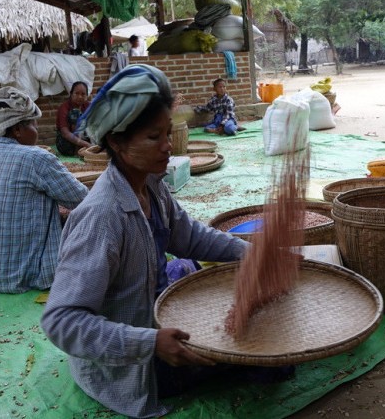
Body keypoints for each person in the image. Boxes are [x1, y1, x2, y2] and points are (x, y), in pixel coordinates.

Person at [40, 65, 266, 418]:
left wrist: (253, 254)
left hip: (154, 308)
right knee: (264, 356)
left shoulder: (151, 184)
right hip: (132, 364)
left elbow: (189, 236)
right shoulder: (103, 218)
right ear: (117, 142)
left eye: (167, 133)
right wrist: (149, 343)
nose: (167, 147)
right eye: (153, 137)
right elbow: (62, 322)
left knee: (207, 280)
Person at [0, 87, 88, 293]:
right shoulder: (35, 157)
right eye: (33, 124)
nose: (36, 130)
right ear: (17, 130)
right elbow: (82, 200)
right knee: (95, 218)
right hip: (17, 276)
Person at [55, 81, 92, 156]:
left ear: (87, 95)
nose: (80, 97)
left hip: (85, 139)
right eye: (77, 93)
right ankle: (78, 151)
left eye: (83, 94)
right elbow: (65, 133)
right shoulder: (64, 108)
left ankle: (85, 150)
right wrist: (86, 144)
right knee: (75, 114)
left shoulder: (88, 105)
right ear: (71, 94)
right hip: (68, 144)